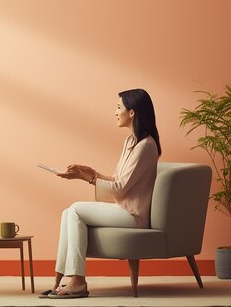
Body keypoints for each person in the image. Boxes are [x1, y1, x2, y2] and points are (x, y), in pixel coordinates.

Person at [43, 88, 161, 299]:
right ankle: (60, 280)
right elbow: (117, 179)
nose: (115, 112)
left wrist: (85, 178)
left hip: (133, 215)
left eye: (118, 107)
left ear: (132, 112)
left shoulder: (146, 146)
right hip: (122, 208)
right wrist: (91, 172)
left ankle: (78, 281)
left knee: (76, 210)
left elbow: (121, 188)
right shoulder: (130, 142)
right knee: (67, 213)